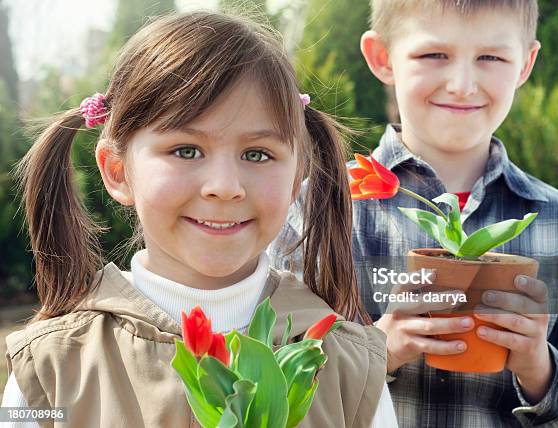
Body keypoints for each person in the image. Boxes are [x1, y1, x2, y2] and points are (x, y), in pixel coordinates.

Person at [1, 11, 398, 428]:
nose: (225, 187)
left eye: (257, 154)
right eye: (186, 150)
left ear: (298, 174)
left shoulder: (349, 368)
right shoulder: (49, 369)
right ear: (118, 171)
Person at [269, 0, 558, 426]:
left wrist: (540, 370)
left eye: (491, 57)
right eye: (434, 55)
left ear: (525, 64)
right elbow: (269, 394)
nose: (462, 84)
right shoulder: (317, 211)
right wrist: (379, 350)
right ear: (382, 58)